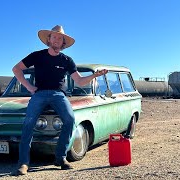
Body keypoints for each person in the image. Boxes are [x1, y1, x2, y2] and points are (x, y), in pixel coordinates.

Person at [12, 25, 108, 175]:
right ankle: (23, 163)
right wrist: (29, 87)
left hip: (59, 95)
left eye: (60, 38)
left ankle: (60, 158)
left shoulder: (67, 60)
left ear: (63, 43)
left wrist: (95, 76)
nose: (56, 40)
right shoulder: (37, 56)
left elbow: (80, 81)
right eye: (54, 37)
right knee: (28, 123)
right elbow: (16, 69)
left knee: (70, 119)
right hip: (39, 94)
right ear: (48, 39)